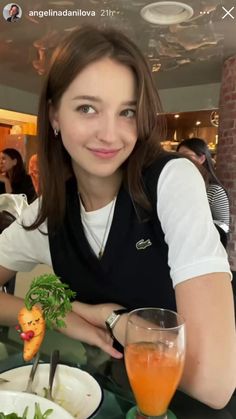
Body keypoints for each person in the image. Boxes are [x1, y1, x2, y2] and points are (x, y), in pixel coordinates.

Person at [0, 26, 235, 408]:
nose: (111, 134)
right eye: (87, 108)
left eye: (126, 111)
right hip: (99, 397)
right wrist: (59, 315)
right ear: (54, 115)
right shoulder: (48, 214)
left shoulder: (171, 181)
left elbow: (213, 383)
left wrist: (113, 321)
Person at [177, 138, 230, 247]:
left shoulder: (214, 191)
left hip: (204, 250)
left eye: (186, 156)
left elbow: (224, 226)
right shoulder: (181, 187)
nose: (181, 160)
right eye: (178, 156)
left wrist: (195, 223)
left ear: (201, 158)